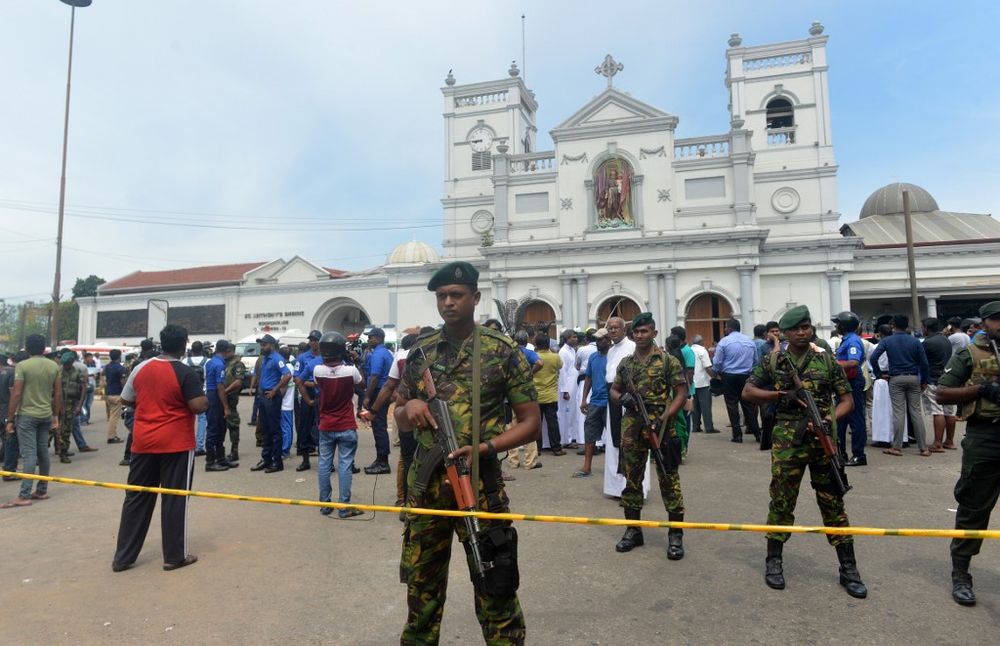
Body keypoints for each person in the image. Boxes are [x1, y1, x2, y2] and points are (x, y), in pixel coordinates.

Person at [397, 261, 540, 644]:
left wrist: (485, 447)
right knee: (421, 597)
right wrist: (408, 409)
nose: (448, 302)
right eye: (441, 296)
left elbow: (530, 422)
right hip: (427, 494)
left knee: (496, 589)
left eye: (456, 295)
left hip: (481, 487)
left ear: (475, 298)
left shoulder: (501, 351)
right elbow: (398, 410)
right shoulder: (420, 354)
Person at [741, 305, 867, 599]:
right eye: (796, 328)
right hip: (788, 443)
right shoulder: (773, 361)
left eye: (806, 327)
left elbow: (847, 399)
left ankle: (848, 568)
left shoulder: (825, 360)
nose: (802, 332)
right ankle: (774, 561)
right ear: (783, 333)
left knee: (833, 503)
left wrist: (830, 418)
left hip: (824, 441)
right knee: (782, 501)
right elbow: (748, 392)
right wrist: (782, 395)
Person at [111, 324, 207, 572]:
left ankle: (123, 557)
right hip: (176, 442)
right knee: (175, 499)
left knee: (136, 498)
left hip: (143, 442)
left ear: (161, 344)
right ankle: (175, 556)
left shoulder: (141, 368)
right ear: (184, 344)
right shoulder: (185, 372)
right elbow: (197, 405)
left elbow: (126, 399)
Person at [935, 300, 1000, 606]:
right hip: (986, 436)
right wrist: (981, 390)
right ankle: (961, 572)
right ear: (984, 323)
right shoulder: (969, 354)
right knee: (974, 506)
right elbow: (943, 391)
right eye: (997, 320)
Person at [609, 313, 688, 558]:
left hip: (662, 426)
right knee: (632, 479)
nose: (641, 336)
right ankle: (633, 531)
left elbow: (681, 393)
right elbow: (614, 389)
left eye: (645, 331)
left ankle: (675, 535)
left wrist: (665, 418)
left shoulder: (667, 361)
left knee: (669, 478)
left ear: (654, 333)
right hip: (632, 426)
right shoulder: (626, 363)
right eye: (637, 332)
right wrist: (622, 399)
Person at [3, 335, 62, 508]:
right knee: (43, 452)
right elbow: (57, 393)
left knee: (29, 454)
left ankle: (24, 495)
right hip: (45, 415)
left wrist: (10, 419)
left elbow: (16, 393)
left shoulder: (22, 366)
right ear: (44, 349)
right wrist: (55, 416)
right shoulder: (53, 366)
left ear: (27, 349)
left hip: (27, 415)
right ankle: (42, 490)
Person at [312, 332, 365, 519]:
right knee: (345, 465)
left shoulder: (318, 370)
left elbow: (320, 384)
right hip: (346, 424)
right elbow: (362, 384)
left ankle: (325, 504)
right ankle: (344, 506)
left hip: (326, 425)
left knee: (324, 465)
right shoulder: (351, 371)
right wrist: (354, 361)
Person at [869, 314, 930, 457]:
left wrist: (879, 374)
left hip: (895, 378)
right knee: (916, 412)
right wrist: (924, 380)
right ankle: (923, 448)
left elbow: (873, 357)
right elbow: (925, 363)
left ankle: (896, 447)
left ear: (893, 325)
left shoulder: (888, 341)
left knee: (899, 412)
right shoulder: (914, 341)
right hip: (913, 377)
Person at [603, 316, 638, 497]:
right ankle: (616, 487)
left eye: (616, 328)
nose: (613, 331)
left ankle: (630, 486)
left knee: (627, 441)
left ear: (624, 330)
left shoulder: (632, 347)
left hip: (626, 397)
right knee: (614, 440)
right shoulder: (610, 350)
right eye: (610, 328)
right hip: (613, 396)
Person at [250, 334, 292, 474]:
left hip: (271, 397)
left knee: (274, 430)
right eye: (261, 345)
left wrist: (275, 390)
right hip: (263, 396)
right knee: (265, 429)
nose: (262, 347)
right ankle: (266, 459)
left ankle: (277, 461)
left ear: (272, 345)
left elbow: (287, 375)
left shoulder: (277, 359)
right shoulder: (265, 359)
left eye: (264, 345)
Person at [713, 318, 761, 443]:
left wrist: (716, 372)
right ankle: (757, 433)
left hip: (729, 376)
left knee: (731, 404)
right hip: (746, 375)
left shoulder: (724, 342)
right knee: (748, 405)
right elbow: (755, 361)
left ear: (729, 328)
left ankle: (737, 435)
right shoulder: (750, 341)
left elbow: (717, 362)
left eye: (725, 327)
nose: (724, 329)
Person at [832, 311, 868, 466]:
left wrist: (832, 364)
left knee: (855, 419)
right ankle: (841, 453)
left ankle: (859, 455)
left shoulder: (853, 341)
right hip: (844, 382)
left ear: (844, 325)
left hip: (852, 382)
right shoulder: (846, 340)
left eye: (838, 323)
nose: (836, 326)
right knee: (840, 419)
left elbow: (853, 362)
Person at [575, 328, 611, 477]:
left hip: (610, 402)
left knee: (614, 437)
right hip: (595, 401)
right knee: (589, 435)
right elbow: (588, 378)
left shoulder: (613, 356)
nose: (598, 342)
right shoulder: (593, 357)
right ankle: (587, 467)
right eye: (597, 339)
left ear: (608, 340)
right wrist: (584, 399)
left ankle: (616, 468)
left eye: (601, 339)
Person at [507, 330, 544, 471]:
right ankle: (530, 462)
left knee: (511, 427)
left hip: (510, 394)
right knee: (529, 425)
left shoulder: (510, 352)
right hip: (526, 394)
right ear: (527, 340)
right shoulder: (528, 352)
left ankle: (513, 461)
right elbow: (540, 363)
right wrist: (529, 374)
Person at [921, 317, 957, 453]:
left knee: (937, 411)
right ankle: (950, 441)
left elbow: (923, 363)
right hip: (949, 379)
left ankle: (937, 443)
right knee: (949, 412)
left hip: (934, 379)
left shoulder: (928, 343)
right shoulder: (946, 340)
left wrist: (923, 380)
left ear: (926, 328)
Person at [362, 327, 394, 475]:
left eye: (370, 337)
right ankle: (380, 459)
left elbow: (374, 377)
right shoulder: (385, 352)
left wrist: (367, 397)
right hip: (384, 391)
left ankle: (383, 462)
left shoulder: (379, 354)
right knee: (379, 425)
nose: (368, 340)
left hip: (379, 392)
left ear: (378, 338)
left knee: (379, 426)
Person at [57, 351, 96, 463]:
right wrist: (59, 405)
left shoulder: (78, 372)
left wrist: (79, 405)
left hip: (71, 402)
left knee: (66, 429)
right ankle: (43, 454)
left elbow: (83, 388)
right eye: (64, 364)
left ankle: (63, 452)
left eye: (68, 364)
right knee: (52, 429)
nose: (66, 366)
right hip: (58, 402)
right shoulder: (58, 372)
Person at [203, 340, 237, 472]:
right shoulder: (219, 365)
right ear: (227, 350)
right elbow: (220, 386)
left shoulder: (212, 361)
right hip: (215, 397)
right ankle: (210, 462)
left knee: (220, 427)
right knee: (214, 428)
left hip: (211, 395)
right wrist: (226, 406)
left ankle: (221, 458)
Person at [293, 330, 323, 472]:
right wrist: (310, 386)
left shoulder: (325, 357)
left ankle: (325, 460)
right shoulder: (302, 358)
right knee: (304, 426)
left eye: (316, 340)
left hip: (321, 393)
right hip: (306, 392)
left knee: (322, 427)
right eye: (311, 340)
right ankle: (305, 459)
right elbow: (297, 378)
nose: (313, 342)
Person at [533, 332, 565, 456]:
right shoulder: (555, 357)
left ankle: (537, 449)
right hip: (551, 395)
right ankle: (556, 448)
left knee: (537, 423)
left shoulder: (533, 356)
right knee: (553, 422)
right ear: (548, 343)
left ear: (536, 344)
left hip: (536, 395)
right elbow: (560, 367)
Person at [221, 342, 247, 463]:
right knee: (221, 424)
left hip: (230, 397)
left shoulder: (237, 364)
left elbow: (238, 382)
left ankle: (234, 451)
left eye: (227, 351)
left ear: (232, 351)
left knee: (233, 424)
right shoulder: (224, 362)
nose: (224, 354)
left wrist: (224, 391)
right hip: (222, 397)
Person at [184, 341, 208, 456]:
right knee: (202, 420)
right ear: (202, 349)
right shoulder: (208, 362)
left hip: (187, 394)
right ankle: (199, 446)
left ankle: (187, 444)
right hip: (203, 393)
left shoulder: (185, 362)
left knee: (187, 419)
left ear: (192, 350)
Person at [689, 335, 717, 434]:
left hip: (692, 381)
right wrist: (715, 376)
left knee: (695, 406)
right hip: (703, 382)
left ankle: (696, 426)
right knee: (706, 405)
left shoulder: (690, 349)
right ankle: (709, 427)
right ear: (701, 341)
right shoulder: (702, 350)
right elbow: (707, 367)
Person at [557, 329, 580, 449]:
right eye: (573, 337)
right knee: (566, 413)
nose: (576, 339)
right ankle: (566, 439)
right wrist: (565, 390)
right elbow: (562, 372)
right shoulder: (563, 352)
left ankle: (572, 437)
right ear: (566, 339)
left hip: (573, 384)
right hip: (567, 386)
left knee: (572, 412)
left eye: (576, 337)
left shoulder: (572, 350)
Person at [1, 352, 19, 480]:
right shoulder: (12, 373)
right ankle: (9, 470)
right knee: (11, 441)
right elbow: (14, 394)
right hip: (7, 412)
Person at [103, 349, 126, 444]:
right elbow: (123, 381)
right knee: (114, 417)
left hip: (108, 393)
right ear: (119, 356)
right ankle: (111, 436)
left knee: (112, 415)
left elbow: (103, 377)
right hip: (117, 393)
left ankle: (113, 435)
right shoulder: (120, 368)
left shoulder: (107, 366)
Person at [81, 352, 99, 425]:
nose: (91, 359)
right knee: (84, 403)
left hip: (91, 386)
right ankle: (83, 419)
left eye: (91, 357)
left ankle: (87, 419)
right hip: (84, 386)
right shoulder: (82, 366)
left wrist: (95, 376)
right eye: (89, 357)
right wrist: (89, 375)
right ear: (85, 358)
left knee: (88, 404)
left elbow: (97, 374)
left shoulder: (93, 364)